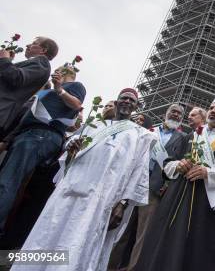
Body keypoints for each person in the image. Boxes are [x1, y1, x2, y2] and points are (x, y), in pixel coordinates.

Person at [13, 88, 155, 271]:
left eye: (131, 100)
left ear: (136, 106)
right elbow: (68, 156)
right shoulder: (93, 125)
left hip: (102, 197)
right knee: (49, 231)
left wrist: (123, 203)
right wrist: (71, 147)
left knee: (79, 238)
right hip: (71, 187)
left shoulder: (141, 135)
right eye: (124, 98)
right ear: (117, 101)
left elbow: (139, 172)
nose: (127, 102)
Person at [135, 97, 215, 271]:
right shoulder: (192, 135)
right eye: (212, 107)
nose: (213, 111)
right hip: (177, 198)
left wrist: (208, 172)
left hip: (206, 204)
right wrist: (179, 164)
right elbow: (168, 164)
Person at [0, 64, 85, 232]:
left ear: (67, 72)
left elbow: (76, 105)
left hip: (40, 135)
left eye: (60, 70)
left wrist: (59, 89)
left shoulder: (75, 86)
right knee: (13, 182)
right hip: (26, 135)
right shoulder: (47, 91)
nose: (56, 72)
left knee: (7, 182)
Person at [109, 104, 186, 271]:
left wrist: (166, 187)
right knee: (121, 229)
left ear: (182, 119)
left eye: (179, 114)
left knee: (142, 235)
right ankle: (109, 266)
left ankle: (133, 268)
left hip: (155, 189)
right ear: (166, 113)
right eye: (173, 111)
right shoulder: (150, 131)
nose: (175, 115)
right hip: (133, 183)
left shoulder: (182, 138)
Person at [0, 36, 57, 141]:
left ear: (43, 50)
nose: (28, 45)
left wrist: (4, 60)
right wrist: (8, 62)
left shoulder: (42, 63)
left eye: (34, 43)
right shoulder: (37, 63)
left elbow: (17, 78)